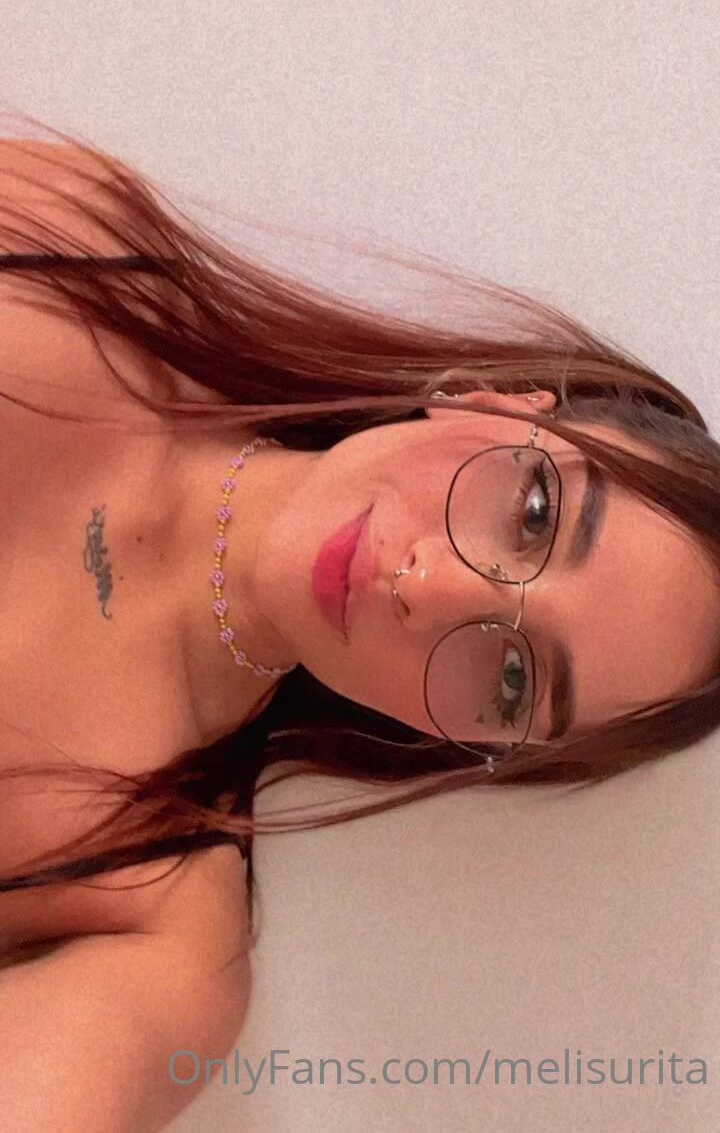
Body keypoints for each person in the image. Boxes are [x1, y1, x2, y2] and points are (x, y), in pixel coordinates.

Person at [0, 120, 719, 1130]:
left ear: (457, 736)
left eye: (512, 678)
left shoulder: (154, 922)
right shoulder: (81, 256)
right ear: (497, 404)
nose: (431, 587)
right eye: (533, 513)